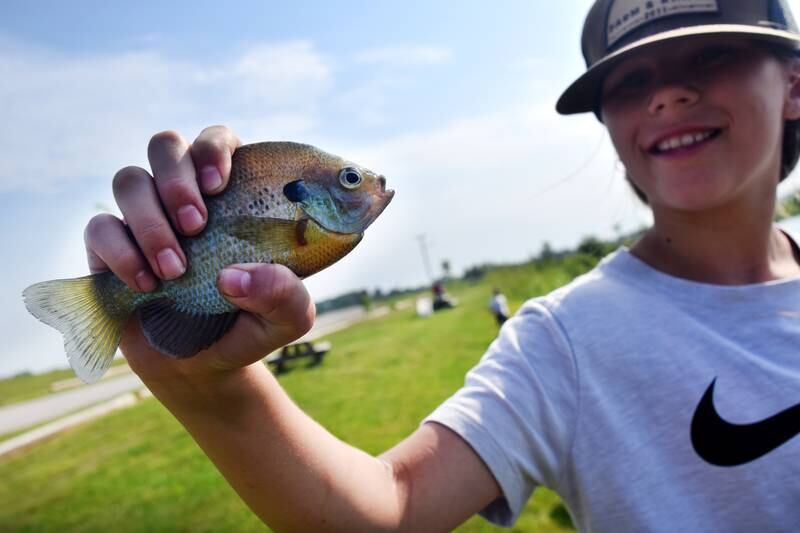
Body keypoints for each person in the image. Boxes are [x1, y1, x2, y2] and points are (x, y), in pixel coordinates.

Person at [83, 0, 800, 530]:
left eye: (710, 56)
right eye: (630, 78)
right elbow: (388, 509)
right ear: (605, 117)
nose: (667, 94)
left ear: (794, 84)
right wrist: (206, 387)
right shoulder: (565, 342)